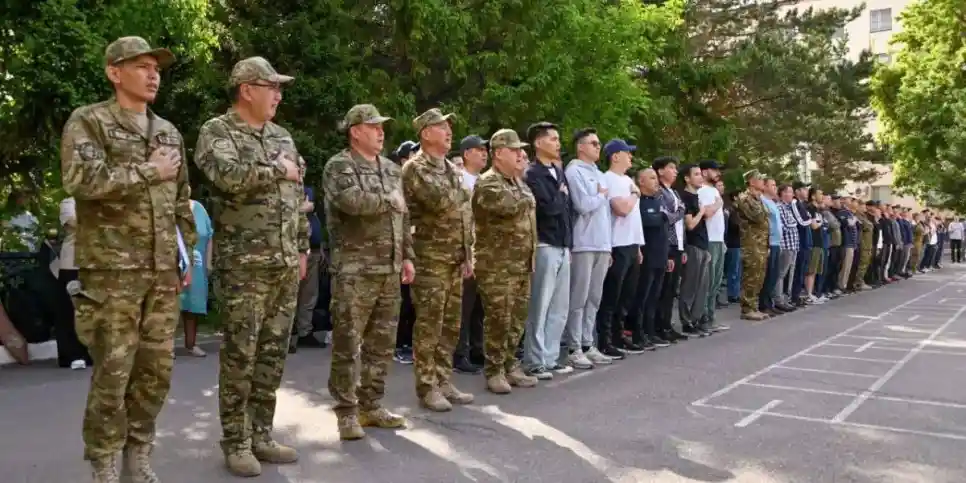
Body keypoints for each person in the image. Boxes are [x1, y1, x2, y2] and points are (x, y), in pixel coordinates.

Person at [60, 36, 195, 483]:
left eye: (156, 68)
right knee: (113, 373)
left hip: (161, 272)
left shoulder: (168, 131)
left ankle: (139, 454)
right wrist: (148, 170)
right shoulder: (90, 121)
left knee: (155, 372)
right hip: (112, 273)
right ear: (114, 73)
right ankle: (104, 462)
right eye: (141, 66)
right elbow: (81, 179)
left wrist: (185, 254)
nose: (153, 75)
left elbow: (181, 200)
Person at [193, 56, 306, 476]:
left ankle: (261, 434)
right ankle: (236, 441)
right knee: (241, 355)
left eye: (279, 89)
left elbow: (294, 198)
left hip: (282, 264)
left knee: (272, 355)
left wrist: (300, 248)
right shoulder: (217, 132)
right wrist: (277, 169)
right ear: (246, 90)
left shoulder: (281, 135)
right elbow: (228, 176)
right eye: (271, 87)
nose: (278, 96)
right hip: (244, 266)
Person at [321, 104, 414, 440]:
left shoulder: (390, 168)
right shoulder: (339, 165)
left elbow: (403, 217)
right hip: (354, 270)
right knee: (348, 343)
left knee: (382, 344)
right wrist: (388, 200)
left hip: (389, 268)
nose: (381, 132)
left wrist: (407, 256)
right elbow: (351, 202)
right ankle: (346, 412)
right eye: (373, 126)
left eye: (381, 126)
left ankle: (371, 406)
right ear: (355, 131)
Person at [402, 108, 475, 411]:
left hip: (454, 258)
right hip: (429, 257)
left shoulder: (450, 169)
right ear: (426, 133)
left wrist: (467, 253)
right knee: (429, 325)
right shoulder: (415, 168)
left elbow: (465, 213)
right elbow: (440, 201)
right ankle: (427, 386)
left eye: (449, 127)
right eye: (442, 126)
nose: (449, 132)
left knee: (450, 325)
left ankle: (444, 380)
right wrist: (463, 193)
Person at [473, 129, 538, 393]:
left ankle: (511, 365)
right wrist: (524, 195)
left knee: (517, 319)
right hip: (497, 265)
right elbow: (509, 206)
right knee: (498, 320)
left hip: (520, 263)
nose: (521, 155)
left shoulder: (516, 182)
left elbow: (527, 207)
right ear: (499, 153)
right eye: (514, 150)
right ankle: (494, 370)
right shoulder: (489, 182)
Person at [522, 122, 574, 378]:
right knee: (540, 305)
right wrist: (560, 196)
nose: (557, 143)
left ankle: (551, 357)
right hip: (545, 243)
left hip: (562, 243)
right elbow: (546, 208)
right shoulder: (532, 174)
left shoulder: (558, 172)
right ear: (538, 143)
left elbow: (566, 209)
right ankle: (534, 360)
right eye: (553, 139)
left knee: (559, 307)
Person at [563, 128, 614, 368]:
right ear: (580, 147)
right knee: (579, 297)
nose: (598, 147)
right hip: (583, 242)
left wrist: (609, 245)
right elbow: (582, 204)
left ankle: (587, 343)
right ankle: (573, 346)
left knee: (594, 297)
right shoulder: (574, 171)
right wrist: (601, 195)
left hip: (601, 243)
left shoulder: (600, 174)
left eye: (598, 143)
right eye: (593, 143)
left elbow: (606, 213)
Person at [453, 135, 489, 374]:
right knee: (463, 306)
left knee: (479, 306)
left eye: (486, 150)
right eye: (479, 150)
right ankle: (460, 353)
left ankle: (477, 349)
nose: (485, 154)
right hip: (466, 250)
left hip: (484, 250)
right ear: (466, 154)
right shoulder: (459, 180)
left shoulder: (484, 181)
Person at [56, 197, 93, 369]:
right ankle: (72, 354)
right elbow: (73, 222)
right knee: (71, 310)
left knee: (93, 309)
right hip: (72, 263)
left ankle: (92, 352)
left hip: (95, 264)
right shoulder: (68, 203)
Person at [677, 164, 714, 334]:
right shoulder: (685, 197)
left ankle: (696, 319)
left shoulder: (697, 196)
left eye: (701, 174)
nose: (701, 177)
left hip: (703, 245)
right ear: (687, 178)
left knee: (702, 287)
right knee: (690, 286)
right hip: (692, 245)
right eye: (697, 174)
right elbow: (690, 224)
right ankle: (686, 321)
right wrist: (702, 212)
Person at [732, 170, 769, 321]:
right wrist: (758, 198)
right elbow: (758, 217)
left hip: (760, 243)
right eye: (760, 179)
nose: (763, 182)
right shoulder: (745, 198)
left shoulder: (757, 198)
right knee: (751, 276)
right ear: (752, 182)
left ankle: (754, 306)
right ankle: (747, 308)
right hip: (751, 243)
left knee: (759, 276)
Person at [179, 199, 213, 357]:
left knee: (194, 304)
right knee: (173, 305)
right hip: (177, 263)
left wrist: (209, 263)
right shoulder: (171, 206)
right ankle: (166, 347)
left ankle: (191, 344)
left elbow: (209, 236)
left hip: (198, 265)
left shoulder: (199, 208)